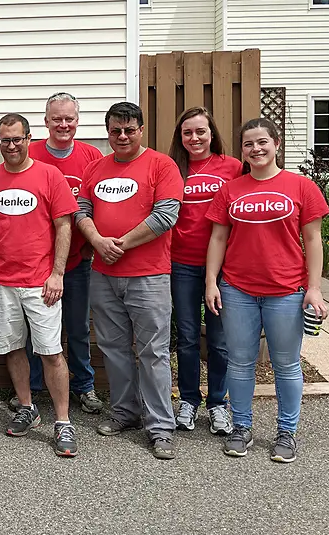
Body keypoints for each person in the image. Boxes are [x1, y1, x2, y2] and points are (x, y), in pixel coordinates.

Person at [205, 118, 329, 463]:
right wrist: (211, 281)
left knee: (286, 364)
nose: (256, 149)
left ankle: (287, 433)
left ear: (276, 143)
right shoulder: (231, 190)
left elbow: (313, 240)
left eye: (262, 142)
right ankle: (241, 427)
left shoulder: (302, 187)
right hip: (237, 290)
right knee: (240, 363)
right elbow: (218, 237)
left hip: (286, 291)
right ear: (242, 150)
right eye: (248, 144)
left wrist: (314, 288)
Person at [0, 113, 80, 458]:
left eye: (18, 139)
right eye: (6, 140)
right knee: (12, 348)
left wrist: (57, 274)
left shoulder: (50, 176)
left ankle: (63, 421)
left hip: (40, 283)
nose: (12, 145)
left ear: (29, 139)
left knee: (51, 353)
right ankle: (27, 407)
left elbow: (64, 226)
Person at [76, 101, 184, 460]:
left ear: (141, 130)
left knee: (153, 352)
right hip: (104, 275)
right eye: (115, 130)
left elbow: (166, 215)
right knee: (113, 348)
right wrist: (97, 241)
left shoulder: (161, 165)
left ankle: (161, 427)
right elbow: (82, 209)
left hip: (149, 276)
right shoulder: (95, 168)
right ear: (108, 132)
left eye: (129, 130)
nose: (122, 136)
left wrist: (119, 244)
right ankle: (125, 412)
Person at [23, 92, 104, 414]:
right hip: (38, 261)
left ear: (78, 121)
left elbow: (98, 206)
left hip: (77, 260)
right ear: (46, 121)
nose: (63, 124)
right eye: (56, 119)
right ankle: (32, 388)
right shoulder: (30, 153)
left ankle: (84, 386)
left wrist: (88, 246)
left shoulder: (91, 157)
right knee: (34, 327)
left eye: (69, 118)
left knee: (78, 326)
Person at [167, 107, 243, 435]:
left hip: (223, 267)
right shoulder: (172, 168)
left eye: (201, 131)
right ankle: (188, 400)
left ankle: (217, 403)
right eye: (188, 133)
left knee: (219, 339)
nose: (194, 138)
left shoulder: (233, 167)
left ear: (212, 133)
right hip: (181, 263)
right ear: (180, 137)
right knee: (186, 336)